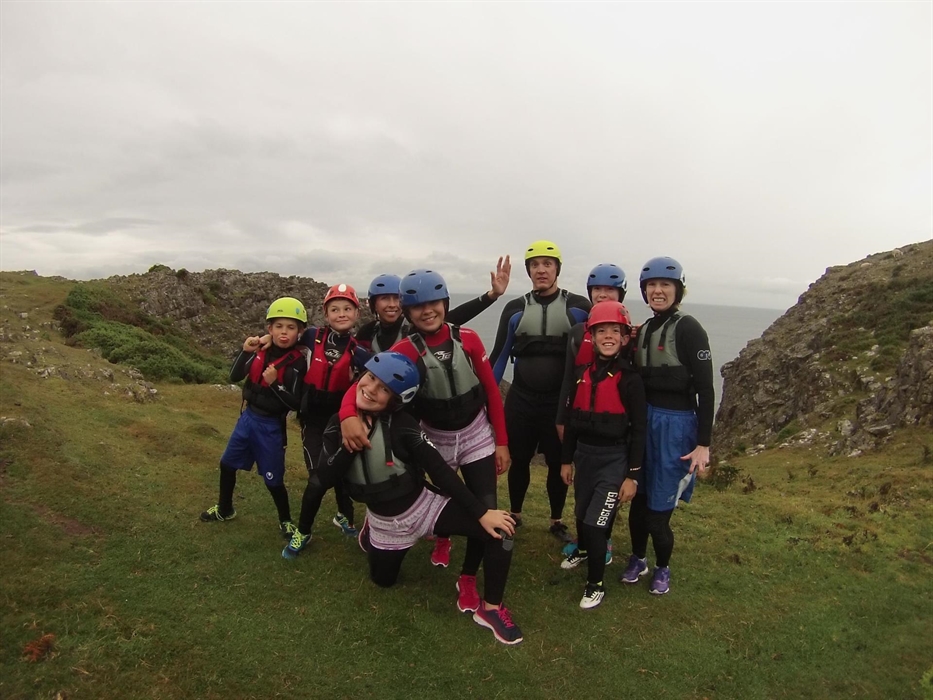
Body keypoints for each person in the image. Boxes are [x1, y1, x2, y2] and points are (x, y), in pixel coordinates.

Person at [282, 351, 524, 645]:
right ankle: (371, 532)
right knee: (383, 581)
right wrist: (349, 447)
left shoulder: (403, 424)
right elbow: (324, 479)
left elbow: (440, 471)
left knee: (501, 532)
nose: (371, 389)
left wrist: (481, 512)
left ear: (395, 400)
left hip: (424, 509)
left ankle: (491, 610)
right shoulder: (337, 424)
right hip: (386, 526)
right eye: (370, 378)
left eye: (384, 389)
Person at [337, 269, 509, 613]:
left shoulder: (468, 338)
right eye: (417, 306)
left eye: (434, 303)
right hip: (434, 436)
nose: (427, 311)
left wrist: (501, 442)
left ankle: (468, 577)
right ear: (408, 312)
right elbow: (364, 384)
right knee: (445, 495)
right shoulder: (405, 349)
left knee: (485, 508)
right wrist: (346, 415)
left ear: (445, 303)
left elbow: (491, 391)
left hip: (476, 434)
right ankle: (438, 537)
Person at [620, 257, 713, 596]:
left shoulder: (689, 329)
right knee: (638, 499)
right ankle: (638, 558)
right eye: (651, 286)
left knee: (659, 511)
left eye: (665, 285)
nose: (657, 291)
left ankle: (662, 567)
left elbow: (706, 390)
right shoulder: (644, 330)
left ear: (678, 290)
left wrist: (703, 443)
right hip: (645, 422)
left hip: (677, 426)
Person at [488, 240, 591, 541]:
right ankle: (515, 514)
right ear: (529, 271)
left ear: (557, 269)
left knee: (558, 462)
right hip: (521, 399)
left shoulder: (578, 308)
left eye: (547, 264)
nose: (541, 270)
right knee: (519, 459)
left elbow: (600, 345)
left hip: (559, 402)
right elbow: (499, 355)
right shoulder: (515, 308)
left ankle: (556, 520)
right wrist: (485, 398)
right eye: (535, 265)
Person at [558, 301, 646, 609]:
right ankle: (583, 552)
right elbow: (572, 423)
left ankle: (595, 585)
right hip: (585, 458)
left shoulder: (631, 380)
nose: (608, 336)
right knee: (582, 517)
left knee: (595, 525)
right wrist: (566, 460)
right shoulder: (581, 375)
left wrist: (632, 476)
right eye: (601, 331)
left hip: (614, 460)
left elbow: (639, 430)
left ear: (625, 337)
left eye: (615, 331)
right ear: (592, 338)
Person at [200, 297, 309, 538]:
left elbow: (295, 404)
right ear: (270, 328)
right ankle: (225, 509)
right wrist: (245, 351)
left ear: (300, 332)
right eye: (278, 326)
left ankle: (285, 521)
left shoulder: (297, 364)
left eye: (291, 327)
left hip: (271, 427)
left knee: (273, 480)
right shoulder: (261, 349)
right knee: (227, 464)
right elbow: (234, 376)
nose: (284, 332)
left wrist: (275, 384)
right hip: (248, 418)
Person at [555, 262, 630, 562]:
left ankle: (603, 539)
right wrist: (562, 418)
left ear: (620, 294)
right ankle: (584, 540)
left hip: (614, 426)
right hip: (582, 421)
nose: (602, 294)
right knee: (583, 486)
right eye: (597, 289)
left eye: (609, 289)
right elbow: (568, 379)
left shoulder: (627, 333)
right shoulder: (577, 333)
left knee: (606, 488)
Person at [296, 284, 363, 537]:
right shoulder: (312, 336)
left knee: (342, 473)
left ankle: (345, 516)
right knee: (317, 477)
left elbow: (378, 373)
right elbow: (286, 336)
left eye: (347, 308)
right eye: (335, 309)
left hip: (339, 422)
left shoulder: (358, 351)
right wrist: (264, 340)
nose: (341, 314)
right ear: (326, 314)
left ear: (356, 314)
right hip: (312, 420)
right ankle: (303, 532)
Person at [355, 257, 513, 353]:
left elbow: (457, 315)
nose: (392, 305)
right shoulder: (367, 332)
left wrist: (492, 295)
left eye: (396, 298)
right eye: (384, 299)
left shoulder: (415, 327)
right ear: (373, 304)